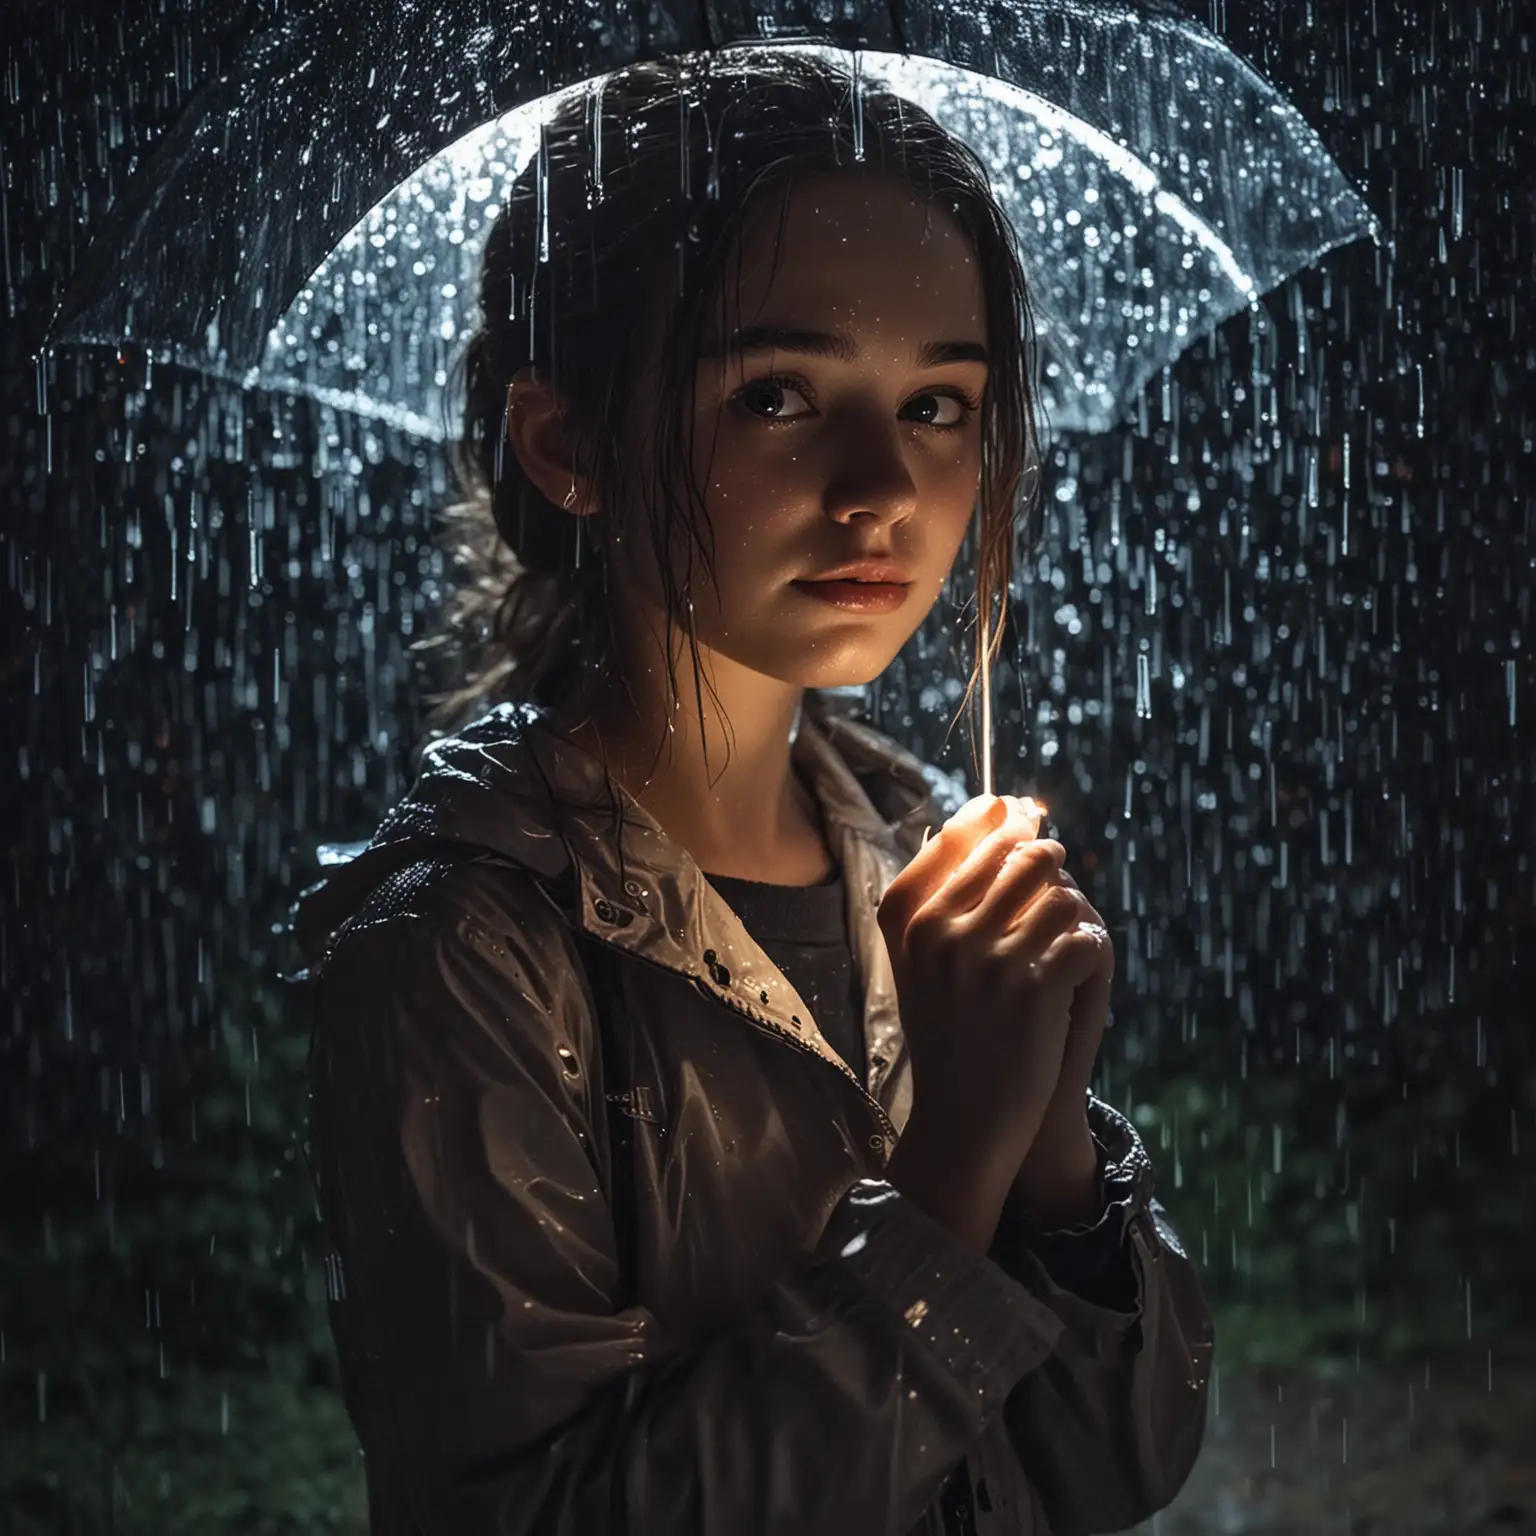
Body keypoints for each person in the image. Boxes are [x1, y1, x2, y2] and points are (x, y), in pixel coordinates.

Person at [293, 49, 1214, 1536]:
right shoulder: (464, 953)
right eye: (780, 394)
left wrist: (1054, 1165)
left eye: (937, 404)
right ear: (569, 441)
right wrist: (944, 1177)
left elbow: (1106, 1469)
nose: (883, 490)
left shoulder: (919, 854)